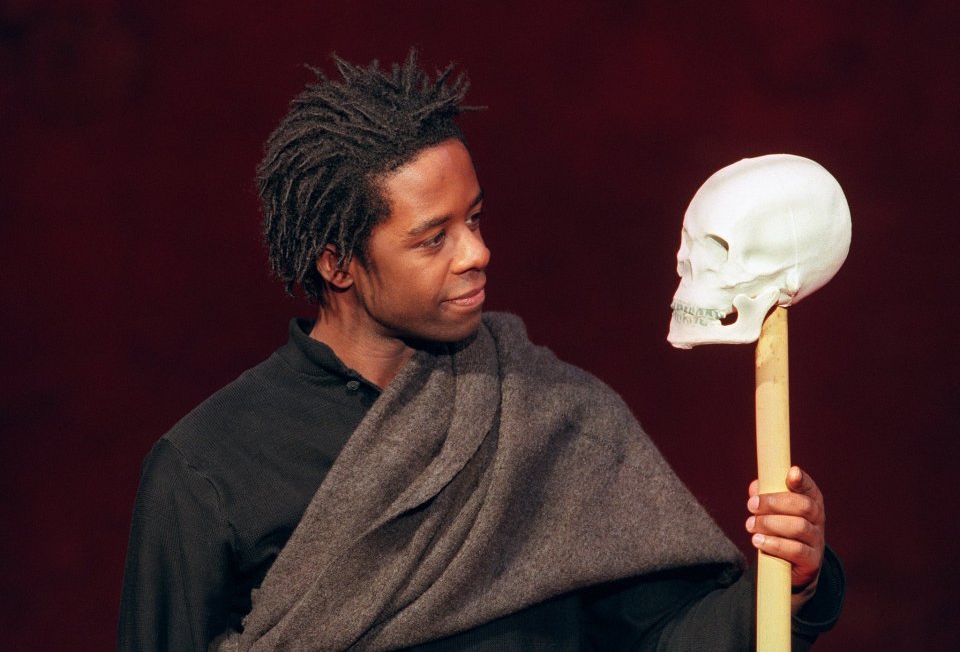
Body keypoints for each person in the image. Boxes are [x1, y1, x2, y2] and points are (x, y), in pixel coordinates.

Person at [118, 51, 844, 651]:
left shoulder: (554, 413)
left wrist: (792, 581)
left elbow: (669, 637)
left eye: (475, 218)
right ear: (337, 264)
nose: (477, 253)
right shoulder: (209, 467)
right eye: (434, 238)